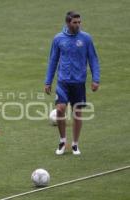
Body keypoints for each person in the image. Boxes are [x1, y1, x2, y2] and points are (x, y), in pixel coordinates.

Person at [44, 11, 100, 155]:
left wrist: (96, 79)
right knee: (60, 109)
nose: (78, 25)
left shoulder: (86, 39)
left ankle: (75, 144)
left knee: (78, 113)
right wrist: (48, 81)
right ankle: (63, 141)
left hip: (79, 82)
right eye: (75, 22)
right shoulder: (58, 39)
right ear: (68, 23)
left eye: (79, 22)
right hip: (63, 81)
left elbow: (93, 58)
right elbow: (53, 60)